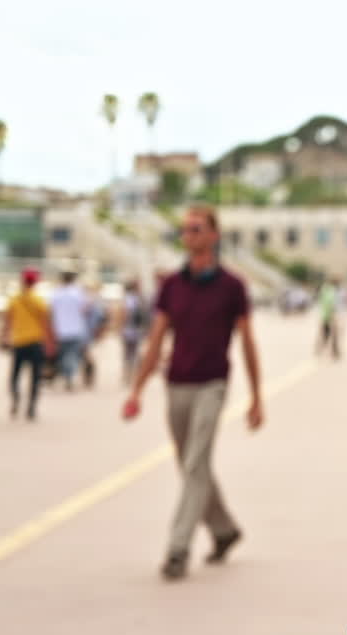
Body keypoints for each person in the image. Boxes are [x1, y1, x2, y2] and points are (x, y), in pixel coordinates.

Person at [122, 206, 264, 582]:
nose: (188, 235)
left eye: (196, 228)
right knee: (191, 464)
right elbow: (155, 340)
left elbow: (247, 341)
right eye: (184, 230)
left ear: (214, 235)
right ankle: (223, 530)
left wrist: (256, 396)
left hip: (212, 384)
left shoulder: (233, 286)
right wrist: (137, 389)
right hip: (176, 385)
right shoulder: (171, 285)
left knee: (194, 462)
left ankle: (177, 548)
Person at [2, 268, 54, 421]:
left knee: (14, 376)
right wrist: (50, 343)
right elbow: (46, 324)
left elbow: (7, 320)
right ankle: (31, 407)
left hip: (18, 342)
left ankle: (16, 398)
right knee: (35, 377)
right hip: (36, 342)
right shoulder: (39, 301)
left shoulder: (14, 299)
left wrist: (5, 337)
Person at [49, 271, 89, 392]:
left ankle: (67, 375)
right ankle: (69, 377)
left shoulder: (56, 293)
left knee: (65, 355)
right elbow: (85, 309)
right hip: (76, 329)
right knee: (72, 355)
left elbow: (51, 312)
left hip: (61, 330)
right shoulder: (78, 293)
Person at [120, 278, 150, 385]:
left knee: (128, 354)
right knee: (135, 353)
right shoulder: (140, 299)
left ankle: (128, 376)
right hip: (138, 330)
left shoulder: (128, 299)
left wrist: (121, 326)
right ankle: (134, 375)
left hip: (128, 330)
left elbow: (125, 314)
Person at [316, 276, 341, 360]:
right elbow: (331, 304)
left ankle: (320, 348)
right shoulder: (331, 291)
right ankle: (333, 351)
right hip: (329, 315)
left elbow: (322, 301)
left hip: (323, 314)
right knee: (334, 333)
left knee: (324, 332)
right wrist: (333, 315)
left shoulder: (324, 290)